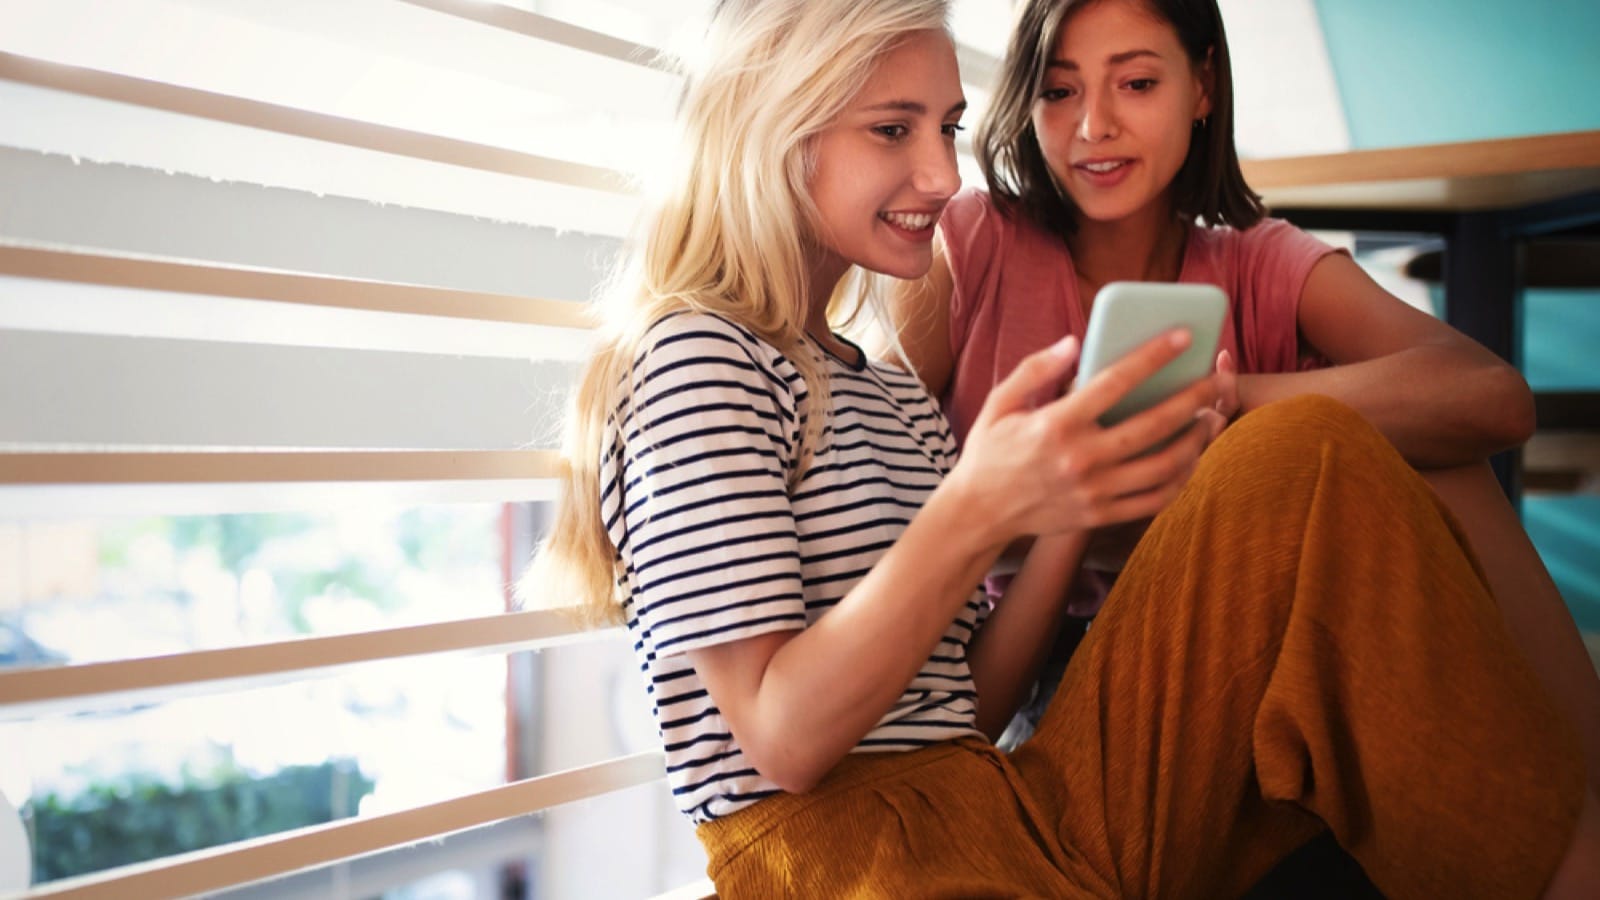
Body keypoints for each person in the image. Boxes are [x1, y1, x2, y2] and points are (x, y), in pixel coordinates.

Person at [530, 0, 1598, 896]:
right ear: (774, 130)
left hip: (999, 807)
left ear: (1201, 90)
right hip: (844, 863)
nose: (941, 176)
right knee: (1309, 454)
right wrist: (979, 507)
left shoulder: (879, 384)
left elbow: (971, 711)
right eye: (891, 131)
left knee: (1308, 448)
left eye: (945, 128)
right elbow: (784, 740)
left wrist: (1064, 502)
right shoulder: (695, 358)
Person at [882, 0, 1600, 788]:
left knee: (1438, 457)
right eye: (1060, 91)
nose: (1094, 126)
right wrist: (1077, 505)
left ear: (1202, 88)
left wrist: (1227, 405)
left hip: (1247, 637)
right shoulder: (973, 243)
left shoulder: (1258, 261)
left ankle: (1585, 787)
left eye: (1137, 83)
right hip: (1046, 662)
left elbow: (1492, 398)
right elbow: (880, 505)